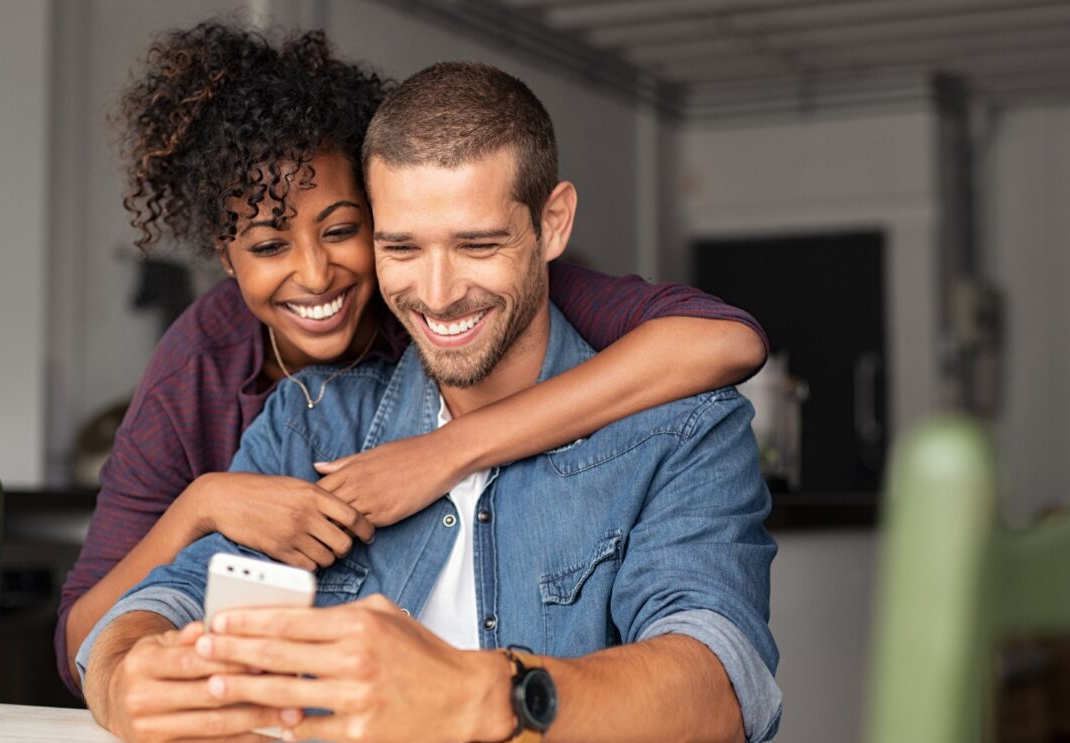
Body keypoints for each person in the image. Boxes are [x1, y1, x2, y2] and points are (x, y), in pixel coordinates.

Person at [78, 61, 782, 743]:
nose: (439, 293)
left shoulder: (685, 429)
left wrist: (481, 694)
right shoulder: (307, 420)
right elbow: (154, 607)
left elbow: (717, 686)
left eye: (477, 244)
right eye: (402, 247)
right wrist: (122, 678)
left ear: (554, 224)